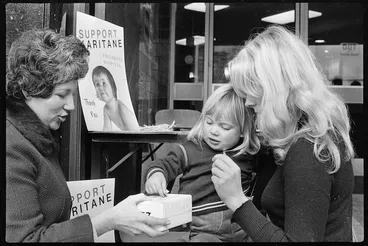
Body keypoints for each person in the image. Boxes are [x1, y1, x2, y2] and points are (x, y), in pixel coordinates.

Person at [5, 29, 170, 242]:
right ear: (29, 90)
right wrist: (107, 221)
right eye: (62, 95)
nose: (72, 105)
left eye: (73, 94)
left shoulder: (34, 136)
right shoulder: (12, 147)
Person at [211, 25, 355, 242]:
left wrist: (236, 200)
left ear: (277, 87)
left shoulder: (308, 150)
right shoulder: (310, 135)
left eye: (252, 90)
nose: (248, 102)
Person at [144, 84, 260, 242]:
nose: (214, 131)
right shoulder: (191, 149)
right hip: (203, 229)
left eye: (224, 127)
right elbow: (163, 164)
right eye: (209, 122)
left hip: (242, 228)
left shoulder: (247, 153)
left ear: (242, 131)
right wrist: (156, 175)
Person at [92, 65, 140, 131]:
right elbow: (106, 130)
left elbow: (133, 132)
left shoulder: (121, 108)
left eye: (104, 83)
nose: (100, 87)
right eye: (97, 84)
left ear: (113, 87)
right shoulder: (106, 109)